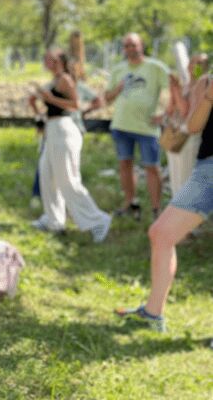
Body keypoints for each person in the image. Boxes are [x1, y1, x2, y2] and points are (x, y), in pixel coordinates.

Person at [116, 71, 213, 332]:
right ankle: (153, 313)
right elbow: (193, 126)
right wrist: (208, 95)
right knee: (161, 234)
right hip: (208, 168)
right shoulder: (209, 79)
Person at [29, 49, 111, 242]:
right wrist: (37, 104)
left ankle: (97, 220)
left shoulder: (65, 79)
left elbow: (75, 104)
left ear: (61, 61)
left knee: (68, 179)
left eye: (52, 58)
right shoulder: (54, 80)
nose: (48, 61)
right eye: (46, 58)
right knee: (47, 175)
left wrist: (49, 98)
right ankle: (53, 219)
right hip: (52, 129)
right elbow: (50, 109)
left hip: (64, 130)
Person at [90, 33, 171, 220]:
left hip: (147, 128)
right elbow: (107, 99)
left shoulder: (155, 67)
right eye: (126, 46)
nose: (130, 49)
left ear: (141, 46)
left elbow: (174, 88)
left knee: (152, 167)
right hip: (121, 125)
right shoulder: (119, 70)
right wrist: (118, 89)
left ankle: (157, 210)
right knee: (125, 164)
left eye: (133, 45)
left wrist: (165, 113)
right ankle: (130, 202)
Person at [164, 53, 208, 197]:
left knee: (185, 177)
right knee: (174, 175)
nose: (196, 66)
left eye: (201, 63)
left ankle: (186, 212)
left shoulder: (204, 83)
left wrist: (176, 89)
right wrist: (173, 89)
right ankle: (176, 209)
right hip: (175, 132)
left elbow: (185, 112)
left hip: (189, 135)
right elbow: (171, 110)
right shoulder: (186, 85)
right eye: (193, 62)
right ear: (188, 66)